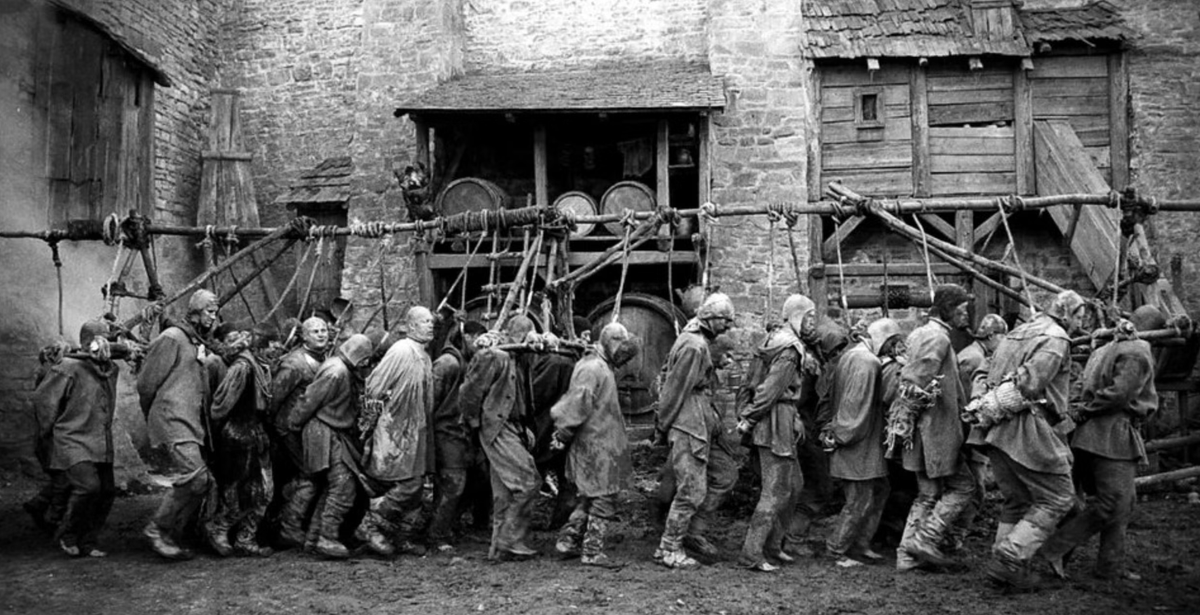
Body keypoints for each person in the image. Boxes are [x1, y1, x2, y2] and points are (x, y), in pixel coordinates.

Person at [968, 290, 1087, 589]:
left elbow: (984, 371)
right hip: (1029, 430)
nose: (1081, 325)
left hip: (995, 428)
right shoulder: (1056, 338)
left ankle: (1002, 562)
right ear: (1065, 313)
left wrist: (987, 402)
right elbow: (1031, 384)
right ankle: (1010, 558)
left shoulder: (1016, 333)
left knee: (1017, 500)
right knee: (1058, 496)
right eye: (1080, 317)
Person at [1039, 305, 1162, 582]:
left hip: (1091, 434)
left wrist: (1085, 410)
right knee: (1111, 501)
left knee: (1123, 502)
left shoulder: (1103, 349)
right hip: (1109, 435)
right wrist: (1090, 409)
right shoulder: (1138, 349)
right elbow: (1120, 393)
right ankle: (1054, 549)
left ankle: (1110, 566)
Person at [892, 284, 976, 572]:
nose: (966, 316)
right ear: (948, 310)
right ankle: (927, 539)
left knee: (927, 494)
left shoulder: (919, 333)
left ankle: (906, 554)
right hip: (936, 431)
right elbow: (914, 380)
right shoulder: (937, 339)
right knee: (965, 486)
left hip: (923, 431)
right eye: (962, 311)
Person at [734, 295, 819, 572]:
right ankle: (752, 554)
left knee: (793, 484)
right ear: (796, 316)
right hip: (775, 421)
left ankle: (773, 545)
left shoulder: (774, 339)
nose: (812, 322)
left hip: (782, 417)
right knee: (775, 490)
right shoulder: (790, 349)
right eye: (809, 316)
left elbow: (752, 381)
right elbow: (769, 389)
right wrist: (749, 417)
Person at [654, 292, 737, 569]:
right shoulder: (694, 346)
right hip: (689, 426)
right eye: (726, 321)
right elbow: (673, 390)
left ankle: (691, 533)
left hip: (700, 423)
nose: (728, 327)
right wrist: (662, 427)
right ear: (711, 318)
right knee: (690, 489)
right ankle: (669, 548)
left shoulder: (699, 341)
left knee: (724, 475)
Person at [550, 322, 640, 568]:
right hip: (595, 445)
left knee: (589, 498)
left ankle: (567, 542)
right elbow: (576, 405)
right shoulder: (593, 368)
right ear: (612, 341)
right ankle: (592, 551)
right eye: (621, 348)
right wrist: (563, 434)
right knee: (603, 498)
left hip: (600, 442)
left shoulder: (597, 365)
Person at [138, 289, 219, 560]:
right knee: (195, 477)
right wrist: (156, 414)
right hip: (172, 418)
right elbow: (146, 383)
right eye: (209, 311)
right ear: (195, 311)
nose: (213, 317)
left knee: (202, 481)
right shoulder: (172, 338)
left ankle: (172, 533)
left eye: (216, 312)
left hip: (190, 420)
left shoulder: (195, 341)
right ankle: (156, 529)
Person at [32, 321, 120, 557]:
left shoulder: (111, 370)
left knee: (107, 491)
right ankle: (67, 534)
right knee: (87, 487)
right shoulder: (68, 368)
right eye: (100, 340)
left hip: (100, 440)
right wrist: (49, 433)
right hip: (72, 439)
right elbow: (44, 402)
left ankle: (89, 541)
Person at [285, 334, 375, 559]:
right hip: (324, 430)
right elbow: (309, 400)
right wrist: (293, 423)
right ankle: (326, 537)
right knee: (342, 485)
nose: (366, 365)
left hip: (332, 430)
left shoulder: (341, 368)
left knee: (332, 486)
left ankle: (315, 537)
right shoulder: (336, 372)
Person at [356, 306, 436, 557]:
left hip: (416, 428)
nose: (430, 325)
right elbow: (374, 385)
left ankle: (401, 535)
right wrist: (374, 418)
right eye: (424, 322)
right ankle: (369, 526)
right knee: (408, 484)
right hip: (395, 427)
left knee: (417, 482)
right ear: (411, 326)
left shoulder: (423, 354)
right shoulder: (401, 350)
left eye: (431, 322)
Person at [459, 316, 540, 561]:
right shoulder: (495, 356)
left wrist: (525, 425)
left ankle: (498, 548)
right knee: (528, 481)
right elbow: (469, 392)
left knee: (504, 491)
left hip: (512, 425)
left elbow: (522, 396)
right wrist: (473, 423)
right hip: (497, 426)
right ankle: (510, 538)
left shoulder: (519, 356)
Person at [822, 318, 896, 568]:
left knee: (879, 490)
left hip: (862, 441)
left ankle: (860, 544)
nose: (892, 349)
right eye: (892, 343)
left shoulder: (853, 355)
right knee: (859, 499)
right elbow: (855, 405)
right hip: (858, 443)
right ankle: (837, 550)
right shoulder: (867, 362)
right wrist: (841, 435)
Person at [205, 323, 279, 557]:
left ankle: (245, 538)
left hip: (257, 436)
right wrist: (226, 433)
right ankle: (218, 529)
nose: (276, 352)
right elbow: (220, 405)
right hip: (238, 437)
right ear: (259, 347)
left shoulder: (261, 367)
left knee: (265, 491)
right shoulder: (243, 368)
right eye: (271, 347)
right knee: (238, 492)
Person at [948, 313, 1008, 551]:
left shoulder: (977, 354)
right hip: (968, 434)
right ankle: (953, 536)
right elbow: (964, 401)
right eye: (1002, 336)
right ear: (991, 335)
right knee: (975, 488)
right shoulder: (973, 359)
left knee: (974, 487)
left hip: (970, 432)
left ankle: (955, 534)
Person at [428, 320, 487, 551]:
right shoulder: (447, 363)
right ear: (467, 338)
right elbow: (430, 401)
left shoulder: (468, 362)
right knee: (452, 483)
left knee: (476, 478)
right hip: (446, 432)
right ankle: (436, 535)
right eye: (477, 338)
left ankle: (448, 524)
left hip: (462, 433)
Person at [272, 317, 329, 548]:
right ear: (303, 336)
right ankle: (289, 527)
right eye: (315, 331)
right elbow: (275, 398)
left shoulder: (323, 358)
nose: (321, 334)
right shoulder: (294, 364)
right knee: (309, 474)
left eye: (324, 330)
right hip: (289, 429)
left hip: (308, 428)